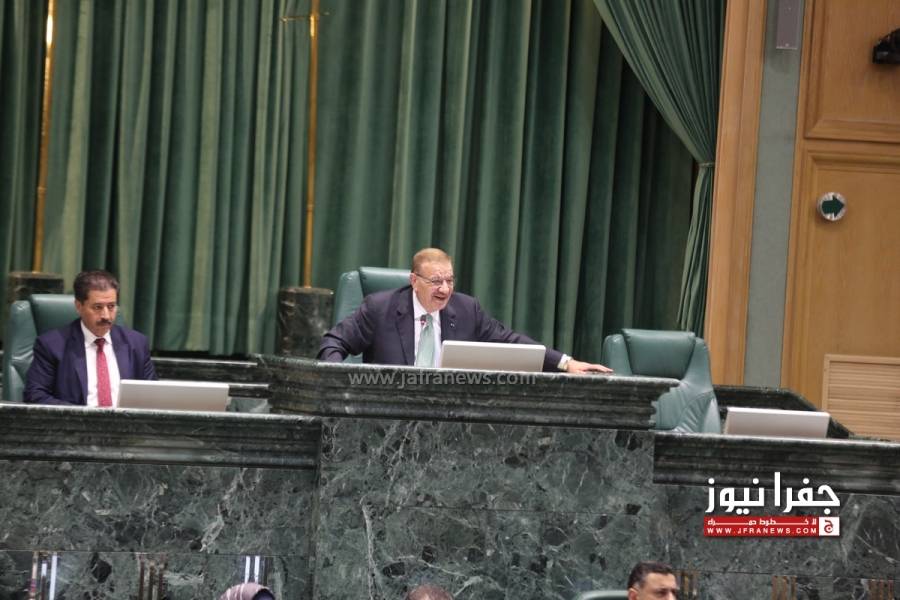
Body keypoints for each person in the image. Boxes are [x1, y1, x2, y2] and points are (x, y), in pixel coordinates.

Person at [318, 248, 612, 374]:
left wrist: (566, 363)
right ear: (414, 281)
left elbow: (509, 341)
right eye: (436, 281)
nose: (445, 289)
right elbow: (334, 342)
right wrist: (340, 380)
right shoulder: (380, 308)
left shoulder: (466, 309)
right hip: (385, 418)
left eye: (450, 280)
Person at [24, 270, 157, 406]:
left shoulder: (137, 344)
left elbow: (153, 396)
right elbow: (35, 395)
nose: (106, 316)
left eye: (111, 306)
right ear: (79, 306)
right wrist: (83, 415)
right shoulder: (52, 345)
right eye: (98, 307)